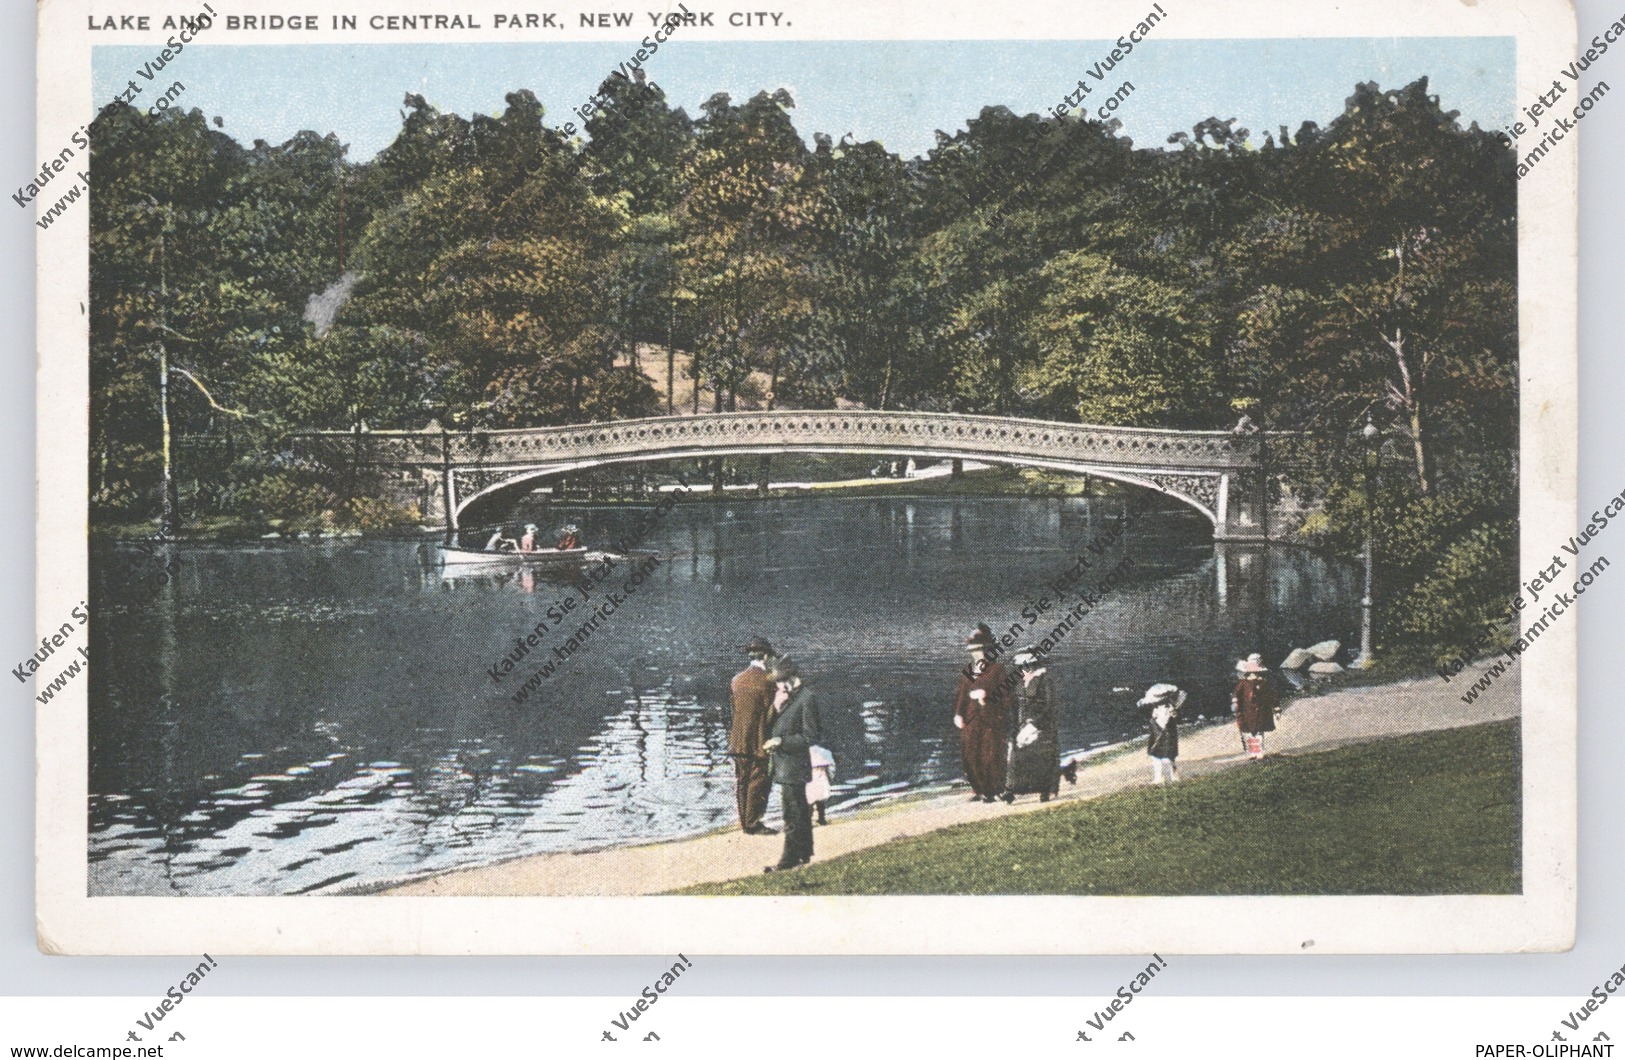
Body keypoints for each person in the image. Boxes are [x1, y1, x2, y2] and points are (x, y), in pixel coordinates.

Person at [762, 657, 821, 872]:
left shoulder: (807, 699)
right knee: (799, 811)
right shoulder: (788, 698)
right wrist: (776, 708)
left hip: (795, 765)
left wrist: (781, 741)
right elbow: (773, 724)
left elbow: (810, 737)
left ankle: (788, 862)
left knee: (792, 813)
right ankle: (804, 854)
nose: (777, 686)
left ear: (791, 678)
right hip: (786, 765)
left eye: (780, 681)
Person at [953, 625, 1011, 803]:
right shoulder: (968, 672)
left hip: (991, 719)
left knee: (991, 755)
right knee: (970, 755)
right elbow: (962, 696)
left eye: (978, 649)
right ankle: (979, 789)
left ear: (986, 649)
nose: (975, 653)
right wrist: (958, 714)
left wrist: (987, 698)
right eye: (972, 650)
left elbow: (1007, 698)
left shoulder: (997, 669)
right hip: (971, 719)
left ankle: (996, 789)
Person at [728, 637, 778, 836]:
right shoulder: (767, 681)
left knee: (742, 780)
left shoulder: (737, 679)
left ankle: (744, 821)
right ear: (765, 656)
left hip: (737, 738)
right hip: (757, 740)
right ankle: (753, 823)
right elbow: (770, 714)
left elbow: (735, 709)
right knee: (758, 779)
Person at [1001, 647, 1060, 803]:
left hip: (1041, 725)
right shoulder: (1020, 682)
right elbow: (1015, 705)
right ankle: (1010, 789)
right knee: (1015, 755)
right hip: (1022, 723)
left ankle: (1044, 789)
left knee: (1041, 757)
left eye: (1026, 665)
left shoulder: (1044, 679)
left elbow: (1050, 705)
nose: (1023, 669)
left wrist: (1035, 722)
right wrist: (1014, 724)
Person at [1232, 653, 1279, 760]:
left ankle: (1260, 751)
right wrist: (1235, 703)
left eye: (1256, 672)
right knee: (1250, 731)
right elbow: (1236, 693)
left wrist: (1276, 707)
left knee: (1259, 730)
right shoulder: (1244, 683)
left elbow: (1271, 695)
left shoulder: (1263, 682)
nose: (1254, 674)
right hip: (1247, 710)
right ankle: (1253, 751)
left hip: (1261, 709)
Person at [1140, 683, 1186, 784]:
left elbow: (1182, 696)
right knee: (1155, 754)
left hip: (1166, 730)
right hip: (1157, 728)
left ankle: (1174, 774)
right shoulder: (1157, 708)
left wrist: (1173, 711)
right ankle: (1158, 777)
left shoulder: (1169, 708)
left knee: (1169, 754)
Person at [807, 744, 835, 825]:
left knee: (810, 800)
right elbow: (831, 768)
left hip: (810, 778)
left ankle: (809, 820)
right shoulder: (825, 752)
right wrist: (830, 779)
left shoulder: (805, 753)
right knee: (821, 801)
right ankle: (821, 819)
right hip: (822, 776)